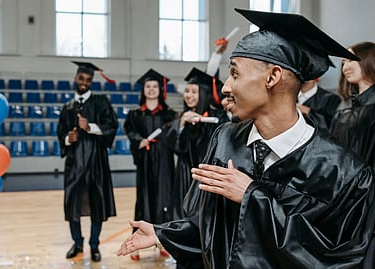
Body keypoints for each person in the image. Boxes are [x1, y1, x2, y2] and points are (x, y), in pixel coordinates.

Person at [117, 9, 375, 269]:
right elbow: (208, 227)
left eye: (235, 73)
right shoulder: (225, 140)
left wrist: (253, 197)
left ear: (273, 77)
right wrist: (164, 235)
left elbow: (336, 261)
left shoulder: (343, 174)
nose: (226, 87)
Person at [56, 61, 118, 262]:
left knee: (96, 206)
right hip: (74, 165)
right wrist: (68, 138)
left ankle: (94, 244)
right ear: (75, 79)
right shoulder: (67, 108)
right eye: (81, 79)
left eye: (88, 80)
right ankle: (77, 243)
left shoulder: (101, 102)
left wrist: (90, 127)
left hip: (96, 164)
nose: (84, 83)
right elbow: (60, 134)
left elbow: (112, 126)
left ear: (92, 81)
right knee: (72, 205)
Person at [123, 69, 178, 261]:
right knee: (144, 201)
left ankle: (161, 241)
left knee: (164, 201)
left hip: (164, 162)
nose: (152, 89)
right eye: (148, 86)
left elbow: (174, 137)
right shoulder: (136, 115)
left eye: (155, 86)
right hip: (146, 161)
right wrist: (139, 140)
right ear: (143, 90)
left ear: (160, 90)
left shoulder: (170, 115)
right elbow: (129, 131)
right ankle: (135, 243)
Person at [171, 67, 229, 221]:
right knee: (183, 215)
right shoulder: (182, 117)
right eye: (187, 91)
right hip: (185, 174)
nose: (188, 95)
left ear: (203, 94)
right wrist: (182, 123)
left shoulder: (217, 117)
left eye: (193, 92)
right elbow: (176, 147)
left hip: (207, 175)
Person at [330, 41, 375, 168]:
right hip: (343, 178)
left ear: (368, 59)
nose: (345, 67)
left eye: (350, 61)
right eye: (344, 62)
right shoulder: (345, 104)